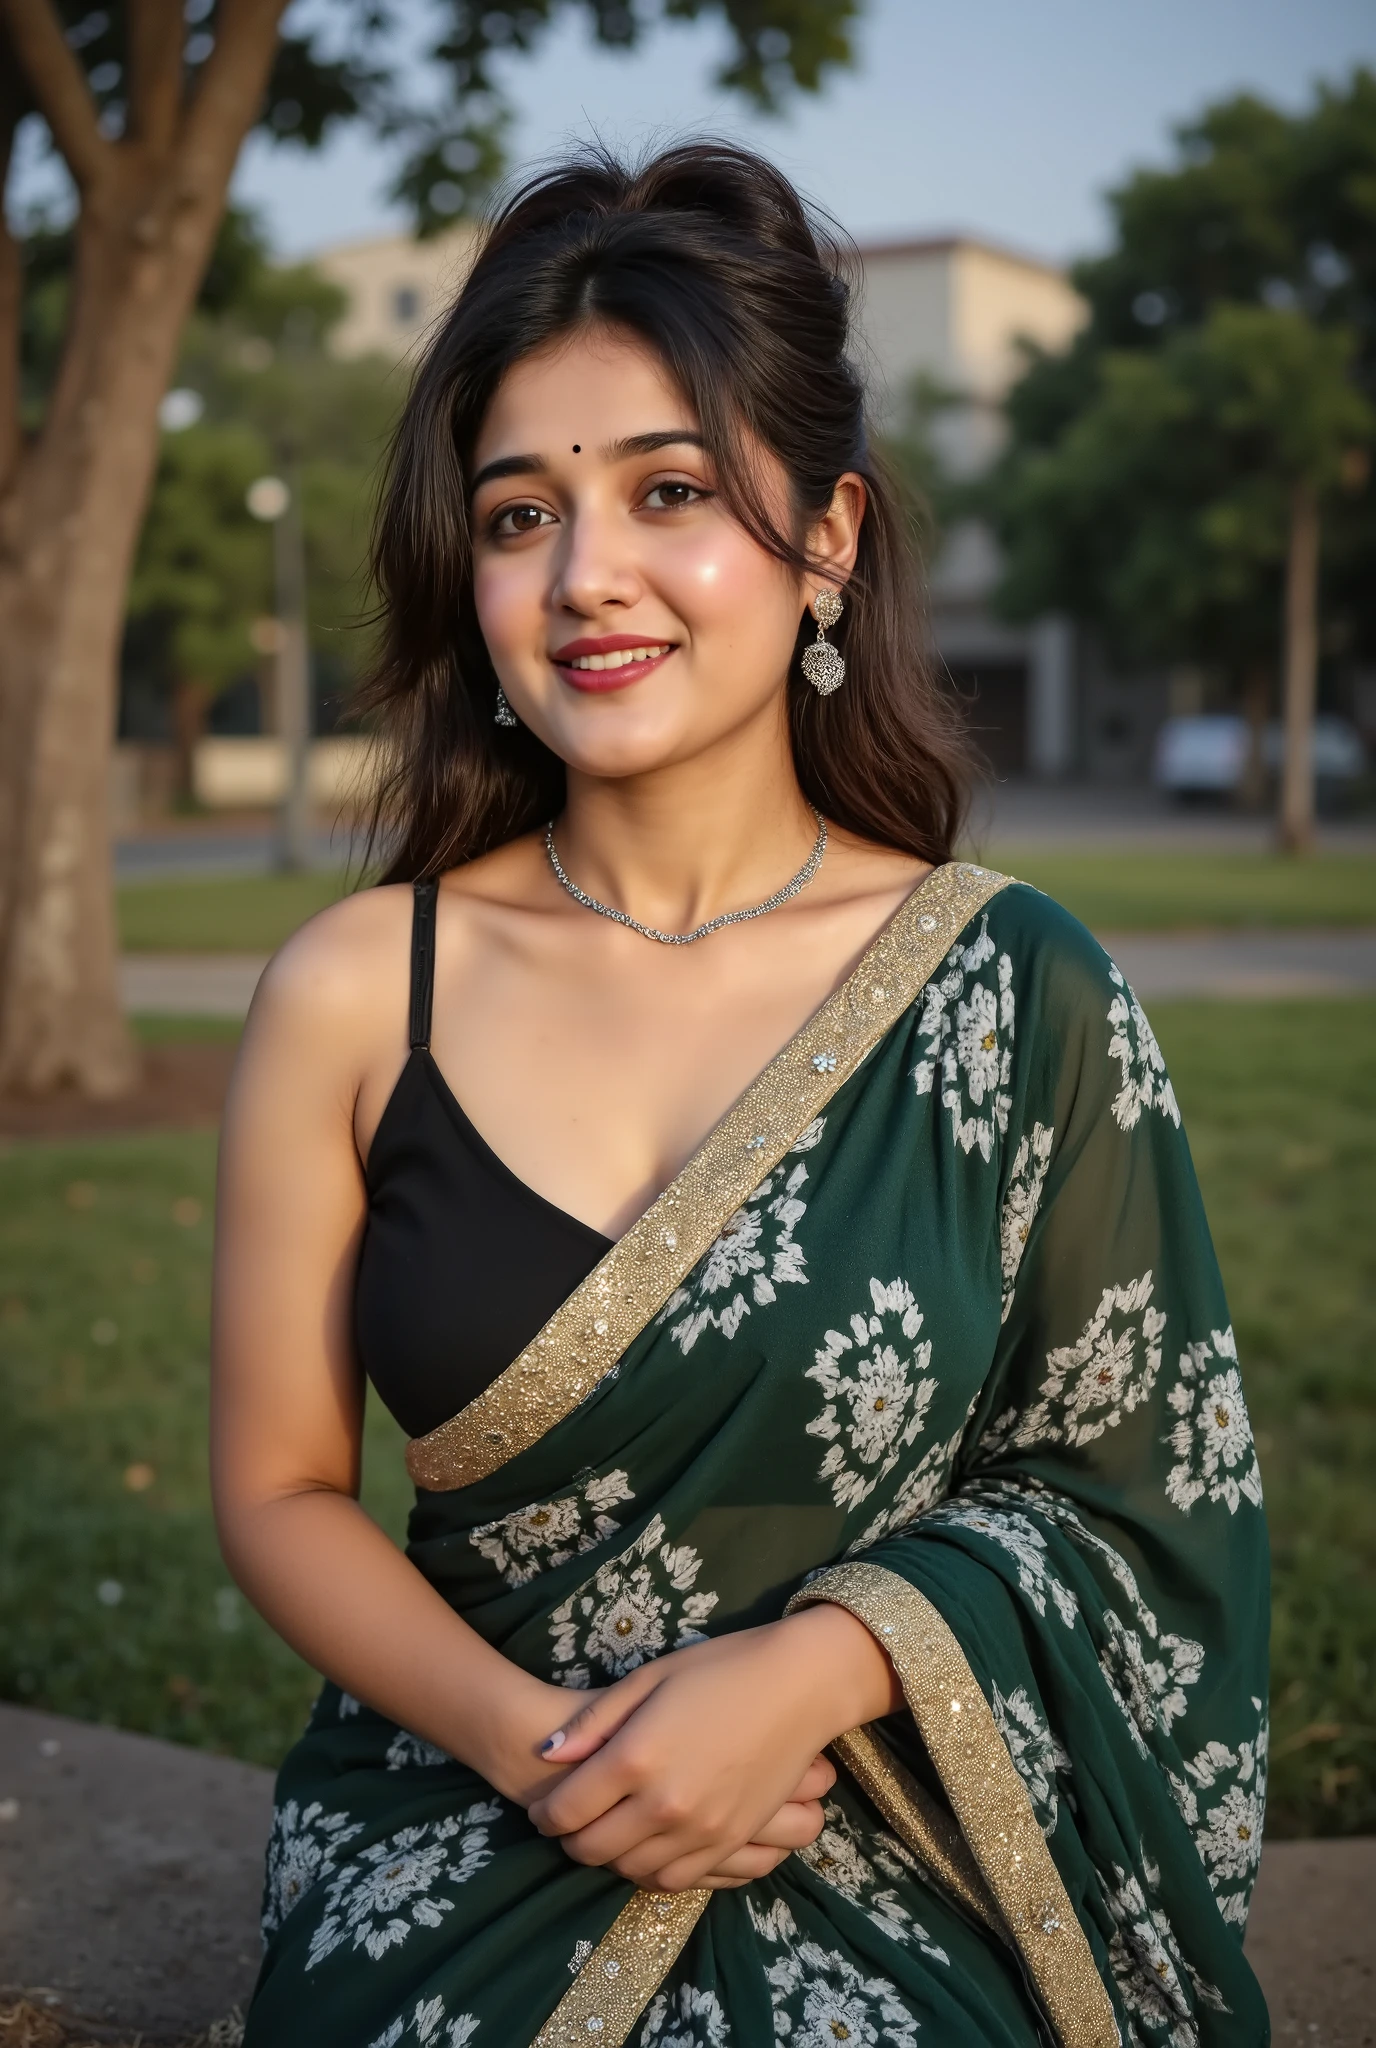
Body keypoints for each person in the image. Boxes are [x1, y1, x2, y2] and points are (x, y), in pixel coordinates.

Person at [212, 142, 1270, 2048]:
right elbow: (284, 1487)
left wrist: (818, 1673)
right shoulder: (366, 990)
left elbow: (1144, 1503)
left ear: (832, 536)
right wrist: (555, 1756)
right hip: (461, 1805)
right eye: (520, 515)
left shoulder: (1010, 990)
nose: (585, 577)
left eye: (670, 492)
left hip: (888, 1818)